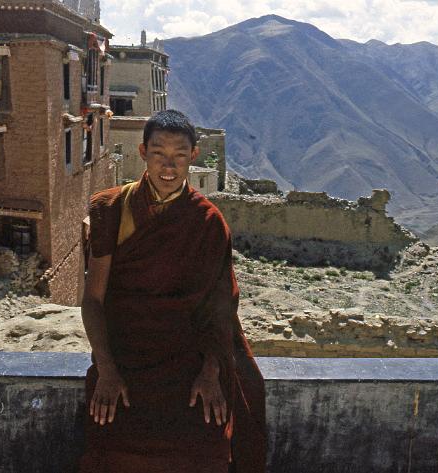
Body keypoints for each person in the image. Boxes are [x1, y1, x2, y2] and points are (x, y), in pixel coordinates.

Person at [78, 110, 266, 472]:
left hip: (186, 360)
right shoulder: (111, 209)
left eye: (179, 155)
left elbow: (220, 308)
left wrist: (211, 371)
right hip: (124, 356)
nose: (169, 166)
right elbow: (93, 299)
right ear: (142, 152)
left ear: (193, 156)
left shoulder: (208, 222)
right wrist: (106, 368)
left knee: (206, 443)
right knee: (111, 443)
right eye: (159, 154)